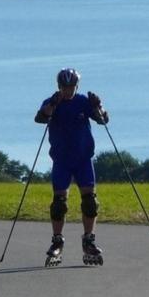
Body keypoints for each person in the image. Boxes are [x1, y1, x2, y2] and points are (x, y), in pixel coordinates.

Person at [35, 68, 109, 266]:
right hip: (62, 160)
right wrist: (52, 104)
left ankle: (88, 241)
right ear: (59, 87)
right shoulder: (53, 101)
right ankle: (57, 242)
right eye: (65, 87)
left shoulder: (83, 101)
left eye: (72, 87)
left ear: (77, 86)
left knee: (90, 202)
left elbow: (103, 120)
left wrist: (98, 106)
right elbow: (40, 117)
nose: (68, 91)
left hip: (83, 159)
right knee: (59, 204)